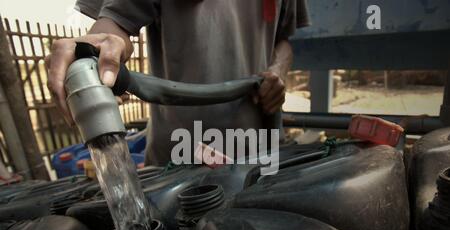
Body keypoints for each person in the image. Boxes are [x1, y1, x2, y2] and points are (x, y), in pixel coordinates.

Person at [46, 0, 310, 166]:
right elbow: (115, 22)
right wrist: (99, 46)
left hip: (259, 150)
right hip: (179, 160)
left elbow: (283, 39)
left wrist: (279, 72)